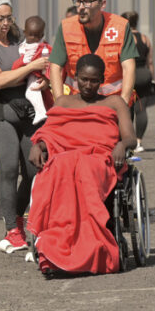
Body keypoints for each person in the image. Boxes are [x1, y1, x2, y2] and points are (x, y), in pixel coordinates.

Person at [27, 54, 137, 275]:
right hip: (65, 157)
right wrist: (37, 146)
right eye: (84, 79)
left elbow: (130, 137)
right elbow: (50, 134)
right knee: (57, 168)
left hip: (98, 159)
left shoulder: (114, 102)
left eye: (94, 80)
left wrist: (121, 145)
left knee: (82, 168)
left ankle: (93, 247)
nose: (88, 85)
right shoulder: (64, 102)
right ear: (75, 78)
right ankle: (53, 247)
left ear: (102, 80)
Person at [0, 0, 49, 251]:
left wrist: (44, 78)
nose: (6, 23)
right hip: (2, 110)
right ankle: (11, 229)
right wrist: (30, 69)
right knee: (8, 169)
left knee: (33, 170)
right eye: (0, 18)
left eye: (9, 17)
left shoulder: (21, 39)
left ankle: (18, 217)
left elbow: (43, 66)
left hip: (29, 111)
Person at [49, 0, 138, 106]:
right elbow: (55, 68)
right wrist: (60, 102)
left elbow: (129, 68)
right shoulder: (66, 27)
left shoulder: (120, 27)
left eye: (87, 2)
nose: (80, 7)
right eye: (78, 1)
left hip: (113, 103)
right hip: (77, 103)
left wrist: (122, 104)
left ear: (102, 4)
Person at [121, 11, 153, 153]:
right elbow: (150, 61)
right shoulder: (145, 38)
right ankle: (139, 142)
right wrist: (150, 77)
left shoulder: (125, 38)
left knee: (126, 108)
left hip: (130, 74)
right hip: (144, 74)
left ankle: (129, 139)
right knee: (141, 108)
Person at [12, 16, 53, 125]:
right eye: (31, 34)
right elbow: (14, 68)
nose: (34, 38)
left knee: (31, 93)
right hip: (24, 76)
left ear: (42, 35)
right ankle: (41, 112)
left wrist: (47, 78)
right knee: (31, 94)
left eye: (37, 35)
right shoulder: (21, 47)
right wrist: (23, 61)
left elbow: (52, 64)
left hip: (37, 77)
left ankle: (41, 112)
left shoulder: (44, 47)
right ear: (24, 32)